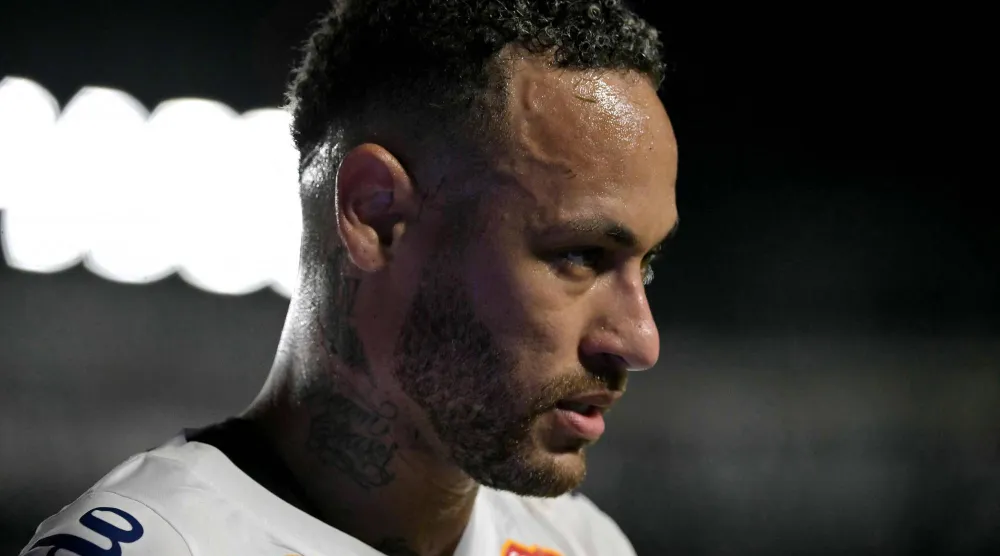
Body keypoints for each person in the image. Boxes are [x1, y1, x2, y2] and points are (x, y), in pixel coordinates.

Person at [20, 0, 678, 554]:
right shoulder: (158, 545)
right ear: (375, 214)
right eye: (581, 255)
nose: (639, 341)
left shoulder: (583, 542)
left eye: (645, 263)